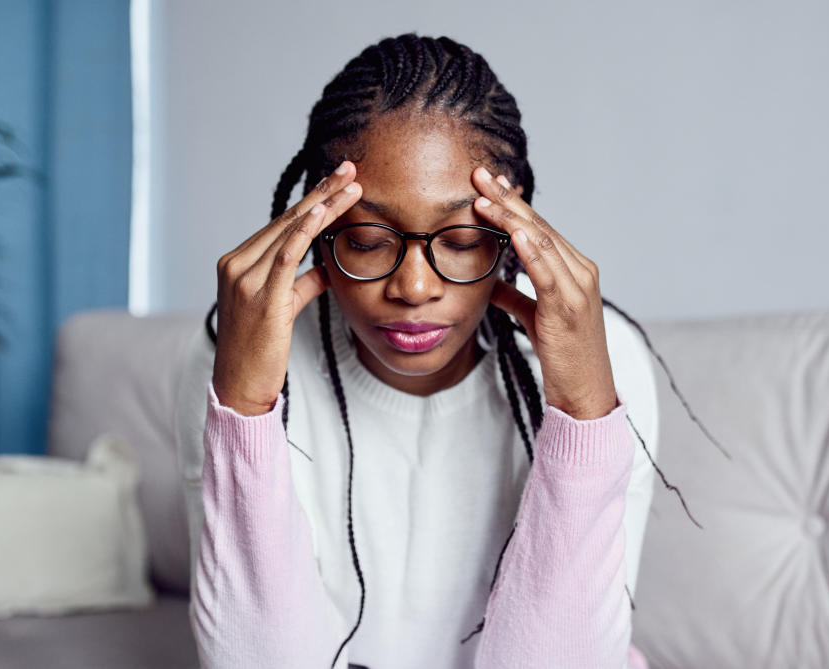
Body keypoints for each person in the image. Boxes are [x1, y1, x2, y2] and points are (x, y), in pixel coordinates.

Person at [174, 33, 663, 669]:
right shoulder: (233, 355)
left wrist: (583, 414)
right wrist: (243, 410)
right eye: (369, 239)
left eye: (461, 237)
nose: (413, 287)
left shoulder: (606, 362)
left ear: (513, 237)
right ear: (319, 233)